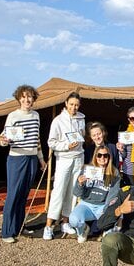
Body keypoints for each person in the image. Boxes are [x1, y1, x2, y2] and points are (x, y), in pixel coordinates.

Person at [0, 85, 47, 243]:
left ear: (34, 99)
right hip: (17, 158)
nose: (27, 100)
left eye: (30, 97)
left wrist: (41, 159)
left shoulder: (36, 115)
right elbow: (2, 138)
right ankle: (6, 232)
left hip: (32, 158)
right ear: (19, 99)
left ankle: (19, 227)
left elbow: (37, 139)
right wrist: (4, 141)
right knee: (13, 194)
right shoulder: (13, 116)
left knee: (24, 195)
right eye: (24, 97)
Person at [44, 92, 85, 240]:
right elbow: (51, 142)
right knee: (59, 191)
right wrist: (66, 146)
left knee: (73, 192)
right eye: (71, 104)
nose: (74, 107)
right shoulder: (58, 120)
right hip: (64, 159)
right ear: (66, 104)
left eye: (76, 105)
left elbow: (82, 135)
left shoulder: (82, 118)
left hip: (78, 157)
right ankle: (48, 225)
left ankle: (65, 221)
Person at [69, 146, 121, 243]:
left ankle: (107, 231)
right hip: (86, 204)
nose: (102, 158)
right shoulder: (86, 169)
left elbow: (113, 195)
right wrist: (80, 183)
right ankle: (83, 230)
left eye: (105, 155)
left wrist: (106, 210)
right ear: (95, 156)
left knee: (109, 236)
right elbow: (76, 193)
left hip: (102, 206)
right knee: (73, 220)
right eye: (99, 155)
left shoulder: (114, 172)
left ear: (109, 157)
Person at [116, 106, 134, 187]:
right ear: (129, 120)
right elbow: (123, 156)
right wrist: (121, 150)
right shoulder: (125, 134)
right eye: (132, 118)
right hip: (129, 171)